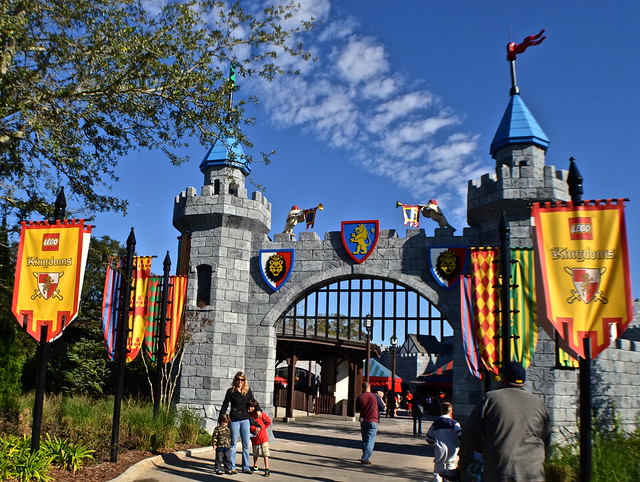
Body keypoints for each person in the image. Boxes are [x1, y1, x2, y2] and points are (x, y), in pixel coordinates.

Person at [458, 362, 551, 481]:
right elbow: (547, 438)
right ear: (523, 381)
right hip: (533, 471)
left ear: (504, 380)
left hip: (500, 470)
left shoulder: (490, 399)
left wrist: (462, 466)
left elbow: (470, 435)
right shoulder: (538, 403)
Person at [221, 371, 254, 474]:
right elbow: (225, 405)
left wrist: (258, 410)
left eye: (242, 380)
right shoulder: (230, 391)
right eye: (238, 379)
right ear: (235, 380)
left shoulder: (247, 391)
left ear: (245, 381)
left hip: (245, 419)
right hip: (234, 419)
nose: (240, 381)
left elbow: (253, 402)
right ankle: (232, 466)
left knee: (245, 444)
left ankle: (246, 467)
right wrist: (221, 419)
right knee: (233, 444)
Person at [425, 402, 462, 482]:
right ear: (451, 411)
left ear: (441, 411)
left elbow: (429, 437)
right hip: (453, 449)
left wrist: (432, 443)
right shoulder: (455, 423)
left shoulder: (436, 423)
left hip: (440, 449)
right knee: (450, 469)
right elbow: (460, 435)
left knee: (438, 470)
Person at [356, 382, 385, 464]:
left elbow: (357, 408)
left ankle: (365, 456)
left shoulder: (360, 397)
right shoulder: (375, 397)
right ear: (370, 387)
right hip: (373, 420)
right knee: (370, 440)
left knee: (365, 440)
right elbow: (382, 408)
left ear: (362, 388)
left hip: (363, 420)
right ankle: (365, 458)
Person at [247, 398, 272, 477]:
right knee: (255, 453)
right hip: (254, 438)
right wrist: (254, 429)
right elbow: (249, 427)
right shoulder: (249, 416)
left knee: (265, 453)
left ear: (255, 407)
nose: (250, 408)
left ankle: (267, 468)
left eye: (252, 407)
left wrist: (263, 428)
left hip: (263, 438)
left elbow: (268, 421)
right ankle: (255, 466)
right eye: (249, 407)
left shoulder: (260, 414)